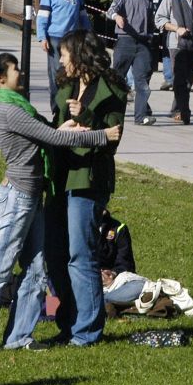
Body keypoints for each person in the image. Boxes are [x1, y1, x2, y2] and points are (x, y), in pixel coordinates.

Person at [0, 52, 120, 351]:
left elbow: (46, 133)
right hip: (17, 198)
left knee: (37, 268)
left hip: (33, 194)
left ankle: (20, 337)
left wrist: (60, 130)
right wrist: (102, 135)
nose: (20, 73)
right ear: (1, 79)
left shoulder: (18, 107)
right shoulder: (9, 109)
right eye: (15, 70)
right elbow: (55, 139)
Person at [45, 32, 126, 347]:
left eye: (65, 53)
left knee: (81, 254)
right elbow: (56, 128)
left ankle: (87, 330)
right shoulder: (65, 85)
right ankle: (68, 324)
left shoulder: (112, 88)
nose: (61, 59)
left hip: (88, 180)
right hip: (61, 175)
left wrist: (87, 116)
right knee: (56, 253)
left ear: (80, 54)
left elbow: (113, 137)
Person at [96, 209, 193, 318]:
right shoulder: (79, 227)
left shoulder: (118, 228)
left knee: (141, 286)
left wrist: (113, 274)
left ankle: (153, 297)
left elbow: (126, 264)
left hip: (118, 283)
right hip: (88, 283)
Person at [108, 0, 157, 125]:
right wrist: (117, 17)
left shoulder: (148, 1)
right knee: (117, 78)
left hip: (142, 43)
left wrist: (150, 35)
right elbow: (111, 11)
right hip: (125, 41)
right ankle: (111, 112)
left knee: (142, 81)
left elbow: (151, 23)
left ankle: (141, 116)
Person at [36, 0, 89, 104]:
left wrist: (88, 33)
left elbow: (83, 15)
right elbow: (42, 16)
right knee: (56, 72)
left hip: (72, 38)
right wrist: (42, 37)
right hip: (55, 37)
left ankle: (70, 102)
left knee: (73, 71)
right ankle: (56, 105)